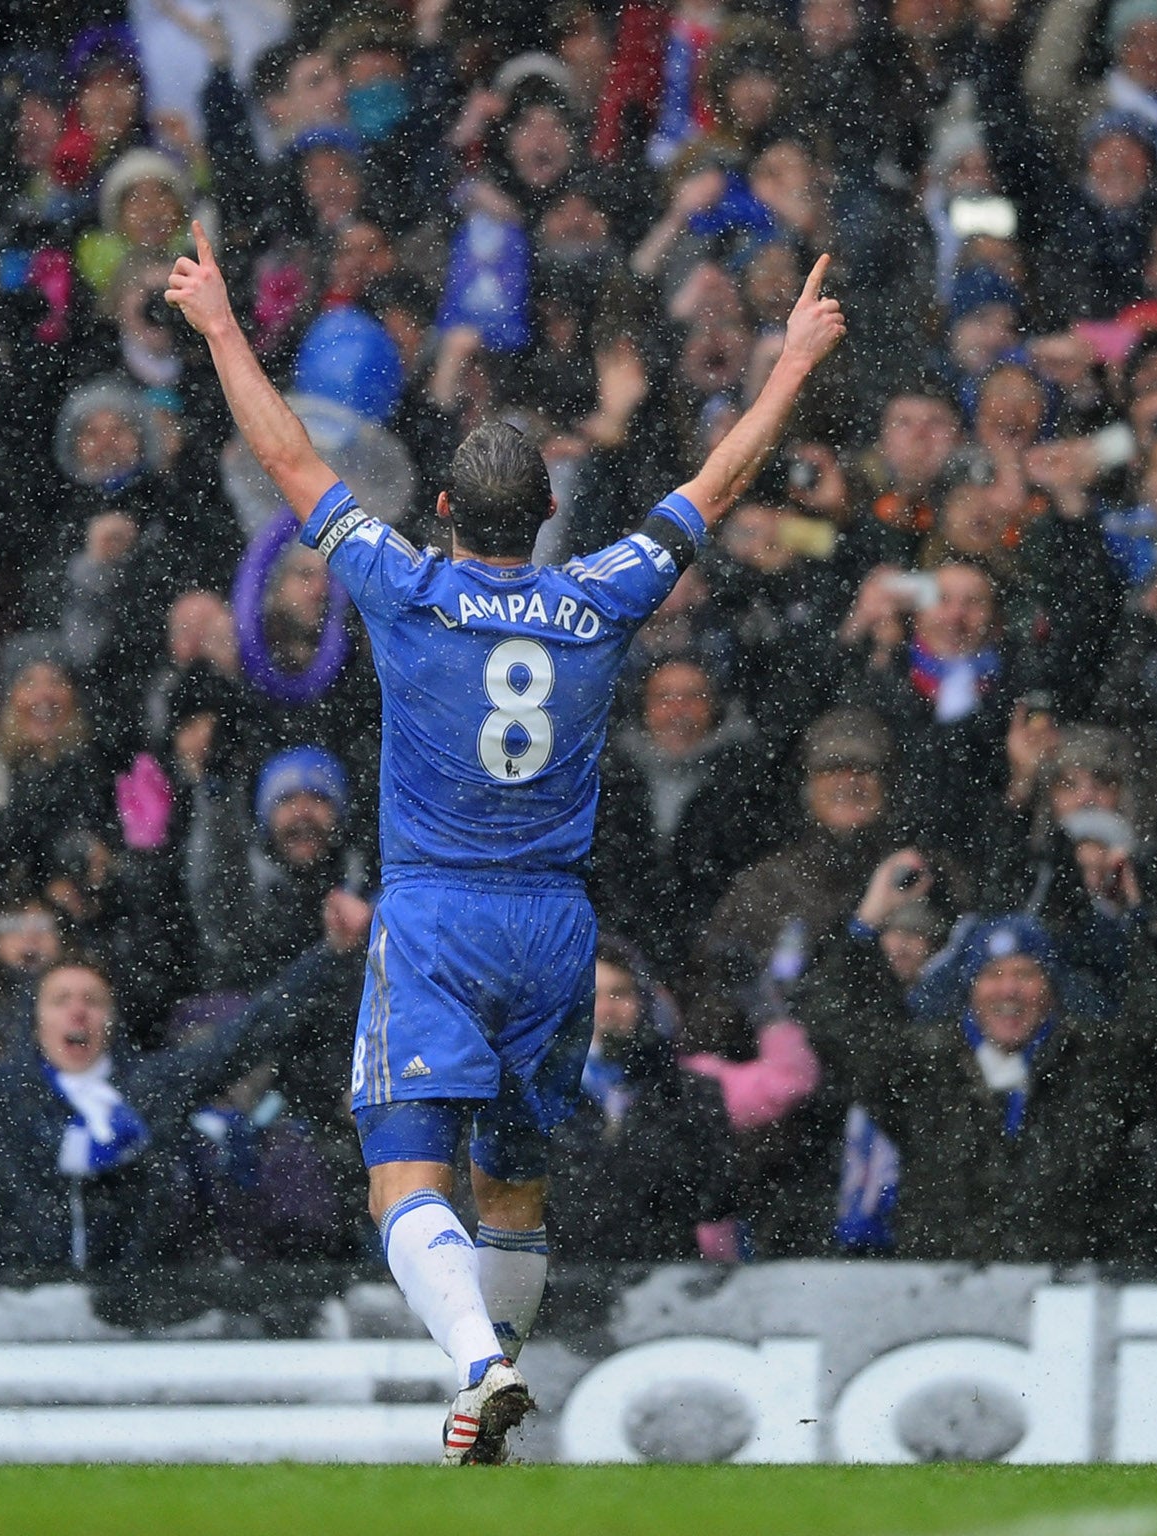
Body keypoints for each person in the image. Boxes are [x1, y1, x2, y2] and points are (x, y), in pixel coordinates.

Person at [163, 219, 845, 1462]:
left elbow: (285, 452)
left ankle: (475, 1363)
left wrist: (217, 323)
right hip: (556, 929)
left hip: (434, 915)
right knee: (514, 1188)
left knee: (402, 1182)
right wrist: (791, 363)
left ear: (437, 507)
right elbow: (718, 483)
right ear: (544, 513)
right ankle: (496, 1399)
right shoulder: (598, 593)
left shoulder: (403, 584)